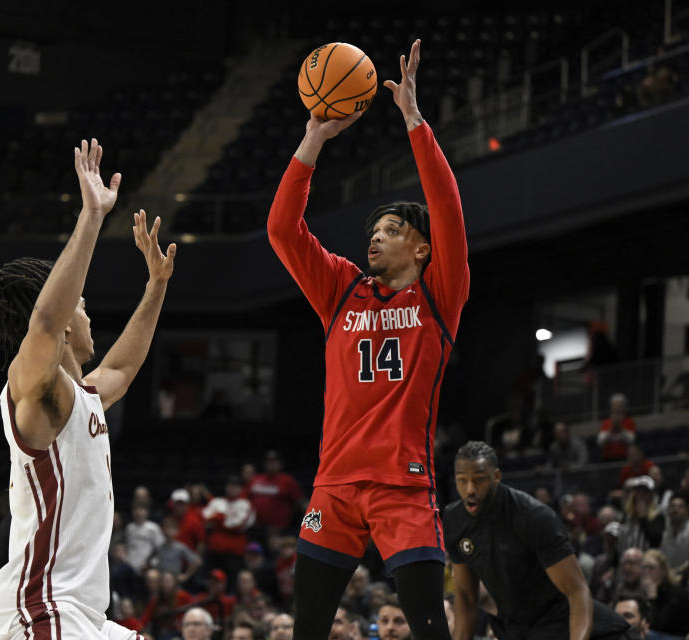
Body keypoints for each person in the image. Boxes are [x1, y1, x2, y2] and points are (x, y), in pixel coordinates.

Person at [266, 39, 468, 640]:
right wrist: (315, 137)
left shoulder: (438, 295)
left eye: (392, 230)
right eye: (373, 230)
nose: (375, 239)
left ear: (422, 248)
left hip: (404, 489)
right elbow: (282, 229)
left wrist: (412, 118)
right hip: (334, 483)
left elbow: (448, 207)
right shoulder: (340, 290)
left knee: (430, 628)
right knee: (307, 630)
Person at [0, 139, 176, 639]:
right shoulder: (33, 389)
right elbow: (44, 321)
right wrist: (93, 217)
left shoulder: (81, 396)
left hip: (82, 613)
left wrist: (156, 287)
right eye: (80, 303)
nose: (87, 311)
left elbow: (120, 368)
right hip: (42, 609)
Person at [444, 441, 631, 640]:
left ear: (496, 477)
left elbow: (577, 591)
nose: (470, 489)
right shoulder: (454, 519)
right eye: (462, 480)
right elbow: (466, 597)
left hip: (574, 626)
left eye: (479, 480)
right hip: (516, 627)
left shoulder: (533, 517)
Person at [640, 549, 689, 636]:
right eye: (644, 567)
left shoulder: (676, 593)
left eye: (651, 568)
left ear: (663, 570)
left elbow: (659, 626)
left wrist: (652, 596)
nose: (646, 572)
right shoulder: (642, 589)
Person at [247, 450, 304, 534]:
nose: (271, 464)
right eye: (268, 461)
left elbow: (299, 502)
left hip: (278, 529)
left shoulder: (287, 480)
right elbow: (245, 498)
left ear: (280, 464)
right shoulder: (256, 479)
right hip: (256, 527)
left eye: (274, 462)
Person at [659, 493, 689, 575]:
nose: (675, 509)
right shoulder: (663, 531)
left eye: (680, 506)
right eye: (672, 506)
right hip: (668, 576)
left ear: (687, 511)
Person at [597, 394, 636, 461]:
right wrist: (611, 428)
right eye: (615, 405)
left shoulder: (629, 422)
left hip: (624, 458)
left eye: (620, 405)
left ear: (624, 407)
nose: (617, 407)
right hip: (607, 459)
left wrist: (620, 428)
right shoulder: (606, 422)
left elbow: (631, 440)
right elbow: (600, 442)